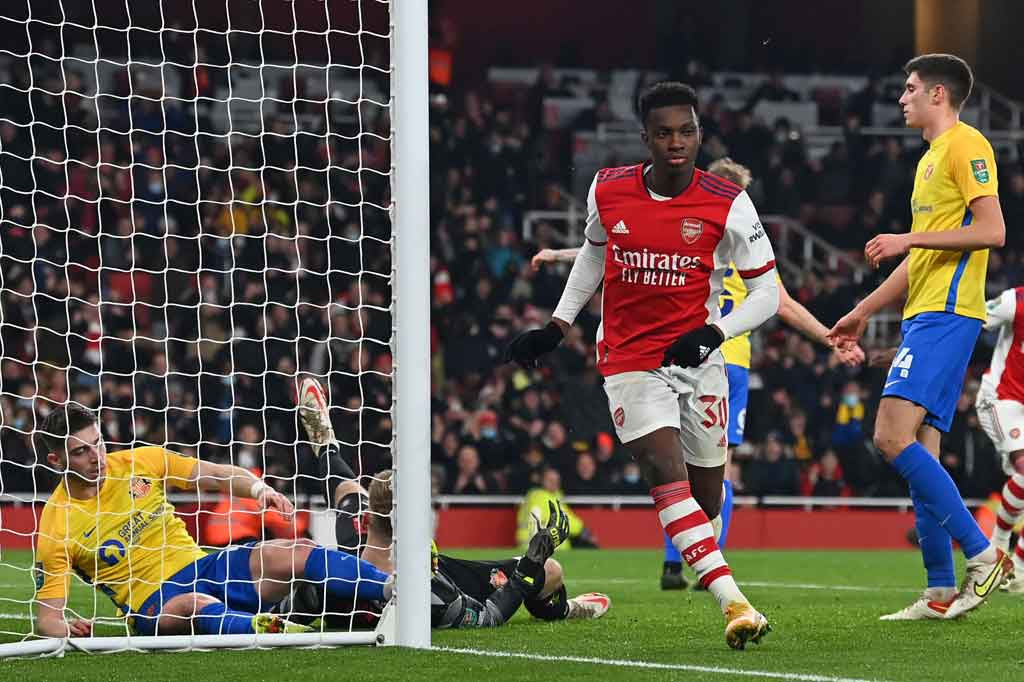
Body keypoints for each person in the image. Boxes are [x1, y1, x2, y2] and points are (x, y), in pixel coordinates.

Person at [509, 81, 775, 649]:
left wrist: (714, 332)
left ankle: (705, 567)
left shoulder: (728, 200)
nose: (676, 142)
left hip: (701, 361)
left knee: (704, 503)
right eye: (664, 133)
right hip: (629, 358)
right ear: (645, 138)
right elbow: (594, 255)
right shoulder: (608, 189)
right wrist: (559, 325)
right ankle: (736, 605)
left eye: (686, 131)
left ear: (699, 135)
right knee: (662, 470)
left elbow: (768, 294)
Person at [532, 157, 865, 591]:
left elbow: (621, 248)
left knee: (685, 475)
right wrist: (828, 337)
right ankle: (707, 561)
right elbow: (780, 301)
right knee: (706, 476)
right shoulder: (726, 235)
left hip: (709, 358)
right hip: (724, 362)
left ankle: (680, 561)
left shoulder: (713, 231)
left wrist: (558, 253)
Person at [828, 53, 1009, 620]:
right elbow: (922, 256)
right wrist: (862, 310)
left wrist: (907, 238)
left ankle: (984, 555)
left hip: (950, 313)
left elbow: (992, 230)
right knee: (919, 447)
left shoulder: (966, 145)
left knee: (889, 436)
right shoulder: (930, 160)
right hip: (924, 314)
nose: (901, 98)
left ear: (938, 94)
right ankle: (937, 591)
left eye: (909, 89)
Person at [32, 403, 392, 638]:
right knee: (195, 605)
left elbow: (216, 475)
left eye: (98, 443)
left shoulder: (139, 463)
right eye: (81, 451)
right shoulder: (57, 525)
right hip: (154, 604)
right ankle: (269, 630)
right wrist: (64, 628)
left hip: (203, 567)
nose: (97, 457)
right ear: (55, 460)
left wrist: (257, 489)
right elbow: (47, 617)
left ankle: (395, 590)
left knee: (295, 549)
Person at [285, 378, 610, 628]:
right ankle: (565, 609)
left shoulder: (335, 570)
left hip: (368, 563)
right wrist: (528, 566)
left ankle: (325, 439)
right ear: (416, 521)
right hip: (443, 575)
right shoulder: (432, 589)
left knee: (345, 488)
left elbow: (341, 483)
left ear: (366, 520)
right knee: (550, 570)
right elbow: (488, 617)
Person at [973, 287, 1024, 592]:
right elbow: (969, 321)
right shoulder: (1014, 302)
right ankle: (999, 544)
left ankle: (1017, 572)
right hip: (1000, 400)